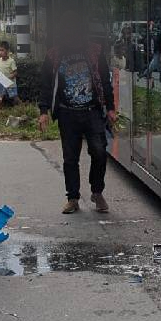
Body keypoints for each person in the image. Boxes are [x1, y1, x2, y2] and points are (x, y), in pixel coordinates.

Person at [37, 32, 115, 214]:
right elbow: (46, 84)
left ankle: (97, 192)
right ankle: (72, 198)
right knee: (70, 158)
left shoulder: (95, 51)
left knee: (99, 152)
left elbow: (105, 80)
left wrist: (110, 108)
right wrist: (43, 111)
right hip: (67, 113)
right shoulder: (54, 55)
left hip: (92, 111)